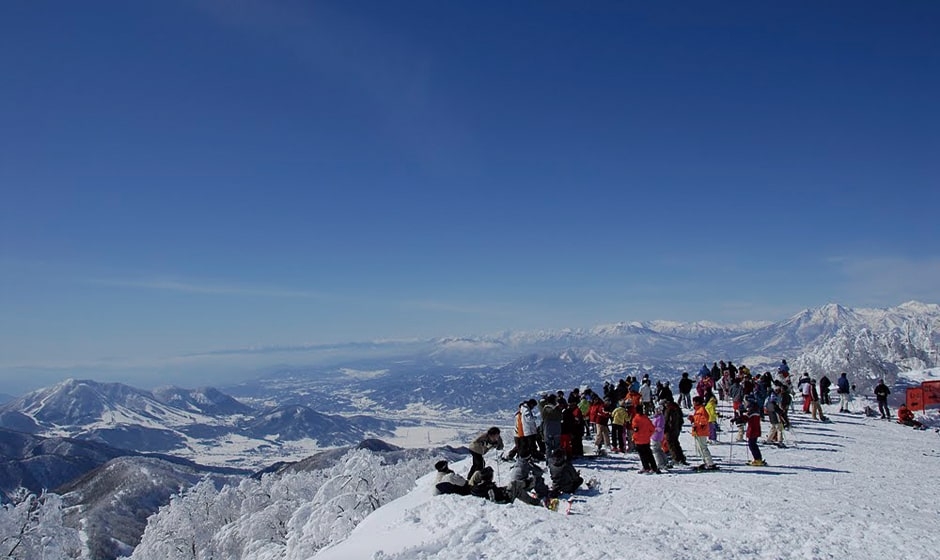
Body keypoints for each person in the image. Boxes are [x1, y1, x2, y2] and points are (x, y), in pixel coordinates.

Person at [689, 396, 717, 470]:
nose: (693, 403)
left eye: (694, 401)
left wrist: (696, 424)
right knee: (699, 448)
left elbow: (704, 420)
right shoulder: (698, 410)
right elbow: (698, 420)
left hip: (701, 432)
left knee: (703, 448)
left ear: (698, 402)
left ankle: (710, 463)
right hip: (697, 431)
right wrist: (692, 419)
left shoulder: (702, 409)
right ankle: (706, 462)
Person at [632, 407, 660, 474]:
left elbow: (636, 430)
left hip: (638, 440)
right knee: (649, 454)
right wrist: (649, 435)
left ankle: (646, 467)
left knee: (642, 455)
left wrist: (633, 438)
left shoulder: (635, 419)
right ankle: (654, 467)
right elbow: (652, 429)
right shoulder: (646, 418)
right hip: (646, 440)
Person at [663, 398, 689, 465]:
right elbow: (681, 420)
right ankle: (681, 458)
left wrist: (665, 430)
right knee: (676, 443)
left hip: (670, 430)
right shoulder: (677, 409)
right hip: (677, 429)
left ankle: (676, 459)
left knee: (671, 444)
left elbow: (666, 420)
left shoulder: (668, 410)